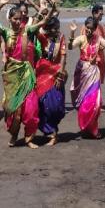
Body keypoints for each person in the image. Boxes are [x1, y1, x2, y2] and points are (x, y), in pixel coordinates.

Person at [0, 0, 55, 148]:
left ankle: (28, 138)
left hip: (28, 75)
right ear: (9, 19)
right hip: (13, 76)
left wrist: (53, 9)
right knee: (13, 110)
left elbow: (44, 21)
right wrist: (2, 4)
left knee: (31, 108)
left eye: (20, 19)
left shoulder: (28, 31)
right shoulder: (6, 33)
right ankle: (14, 134)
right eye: (15, 19)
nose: (18, 21)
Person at [69, 17, 105, 139]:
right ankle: (85, 127)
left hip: (93, 73)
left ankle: (93, 129)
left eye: (91, 29)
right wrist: (72, 32)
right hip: (82, 72)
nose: (89, 30)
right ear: (85, 27)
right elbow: (70, 47)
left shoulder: (98, 39)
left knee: (94, 102)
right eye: (87, 27)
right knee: (83, 101)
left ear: (94, 29)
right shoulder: (81, 39)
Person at [35, 17, 67, 146]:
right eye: (54, 28)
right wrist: (41, 15)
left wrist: (60, 75)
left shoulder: (60, 38)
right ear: (48, 28)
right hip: (42, 74)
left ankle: (54, 133)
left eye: (57, 28)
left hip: (56, 73)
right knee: (41, 103)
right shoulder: (42, 37)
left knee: (55, 105)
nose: (56, 30)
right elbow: (33, 29)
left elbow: (63, 57)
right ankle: (48, 131)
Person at [81, 4, 105, 84]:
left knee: (98, 83)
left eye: (102, 14)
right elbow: (83, 43)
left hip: (100, 59)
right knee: (89, 84)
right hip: (90, 61)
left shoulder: (101, 27)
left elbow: (104, 43)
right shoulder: (86, 27)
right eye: (100, 14)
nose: (101, 16)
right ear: (94, 13)